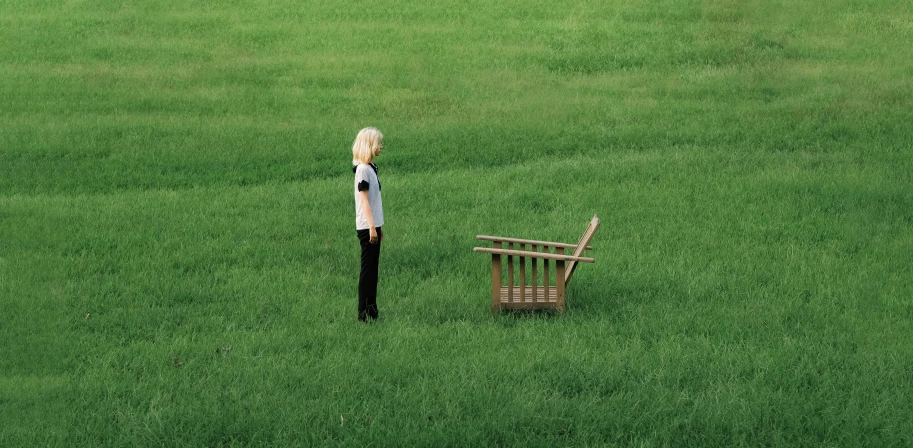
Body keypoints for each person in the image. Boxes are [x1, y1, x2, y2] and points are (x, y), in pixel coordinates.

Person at [352, 127, 384, 322]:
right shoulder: (363, 169)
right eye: (378, 143)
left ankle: (372, 309)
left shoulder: (371, 167)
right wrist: (372, 227)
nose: (381, 147)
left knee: (374, 269)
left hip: (374, 226)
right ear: (370, 145)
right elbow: (364, 200)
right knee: (367, 270)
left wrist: (379, 226)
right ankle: (363, 312)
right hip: (367, 227)